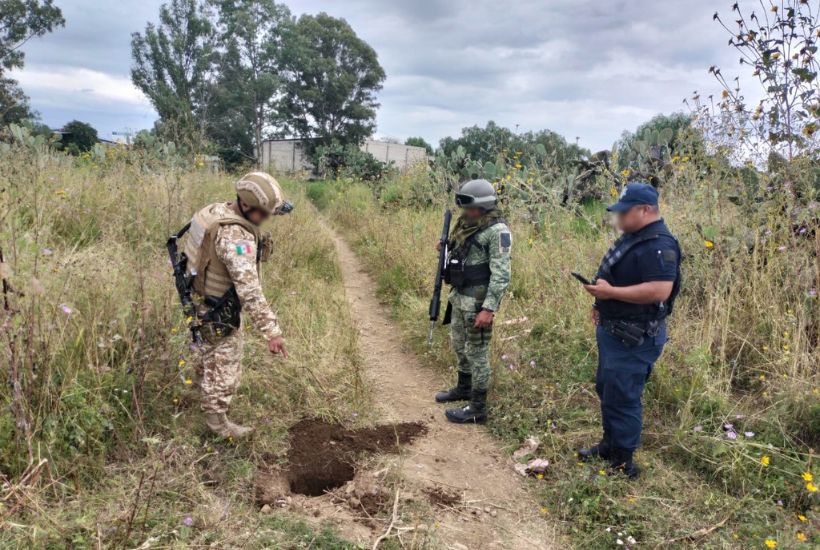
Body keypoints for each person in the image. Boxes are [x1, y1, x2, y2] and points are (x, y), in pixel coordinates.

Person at [579, 182, 681, 478]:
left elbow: (659, 289)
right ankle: (609, 445)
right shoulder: (635, 236)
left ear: (645, 210)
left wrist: (610, 294)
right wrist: (601, 301)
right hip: (615, 329)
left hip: (636, 336)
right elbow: (614, 275)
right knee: (608, 388)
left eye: (625, 212)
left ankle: (623, 462)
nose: (619, 218)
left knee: (624, 395)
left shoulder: (659, 244)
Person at [182, 172, 290, 438]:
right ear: (245, 205)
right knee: (225, 363)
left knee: (204, 350)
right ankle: (218, 426)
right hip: (218, 308)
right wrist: (272, 331)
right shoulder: (236, 238)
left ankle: (199, 390)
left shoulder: (216, 211)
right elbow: (249, 290)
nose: (265, 220)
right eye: (262, 214)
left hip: (196, 298)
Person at [434, 179, 512, 424]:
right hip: (459, 295)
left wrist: (489, 308)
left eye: (470, 206)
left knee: (477, 352)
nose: (465, 211)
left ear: (484, 205)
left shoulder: (497, 231)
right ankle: (464, 387)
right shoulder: (467, 224)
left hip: (478, 301)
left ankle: (478, 406)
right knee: (458, 343)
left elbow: (501, 273)